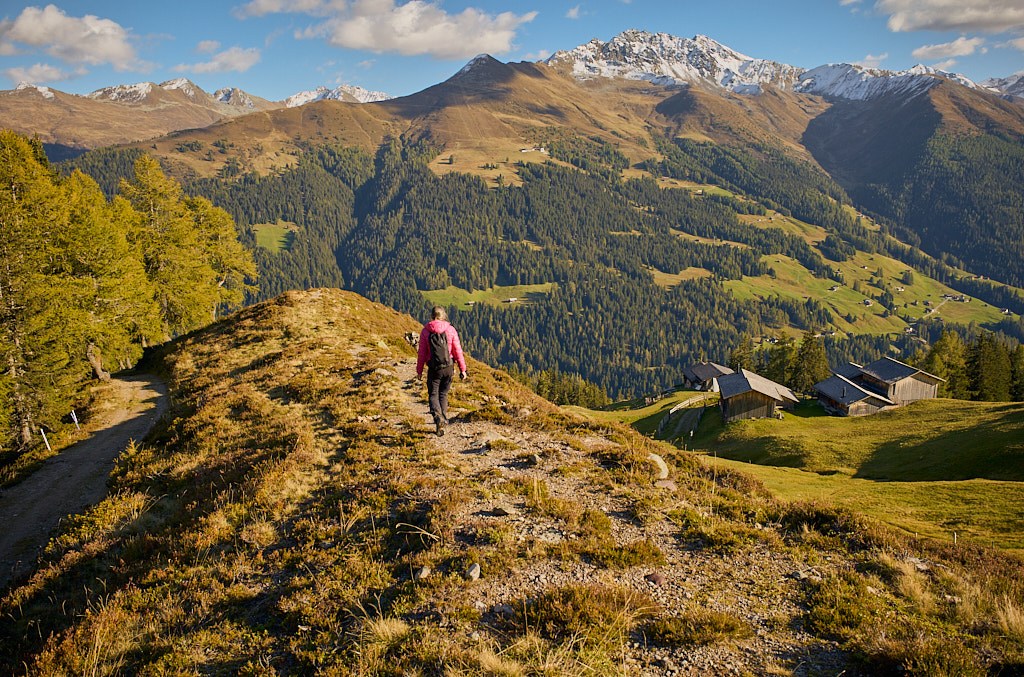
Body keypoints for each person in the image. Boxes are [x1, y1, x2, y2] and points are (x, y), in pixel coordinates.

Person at [417, 306, 468, 436]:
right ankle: (444, 420)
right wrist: (463, 369)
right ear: (443, 316)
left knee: (433, 394)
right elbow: (458, 351)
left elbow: (421, 353)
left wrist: (419, 371)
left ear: (431, 316)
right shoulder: (450, 330)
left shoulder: (425, 331)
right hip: (448, 367)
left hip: (434, 368)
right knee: (443, 394)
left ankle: (437, 417)